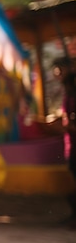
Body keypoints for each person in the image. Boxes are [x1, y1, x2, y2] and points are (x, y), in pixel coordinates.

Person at [51, 57, 76, 229]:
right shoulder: (68, 91)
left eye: (60, 69)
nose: (57, 74)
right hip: (71, 145)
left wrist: (67, 126)